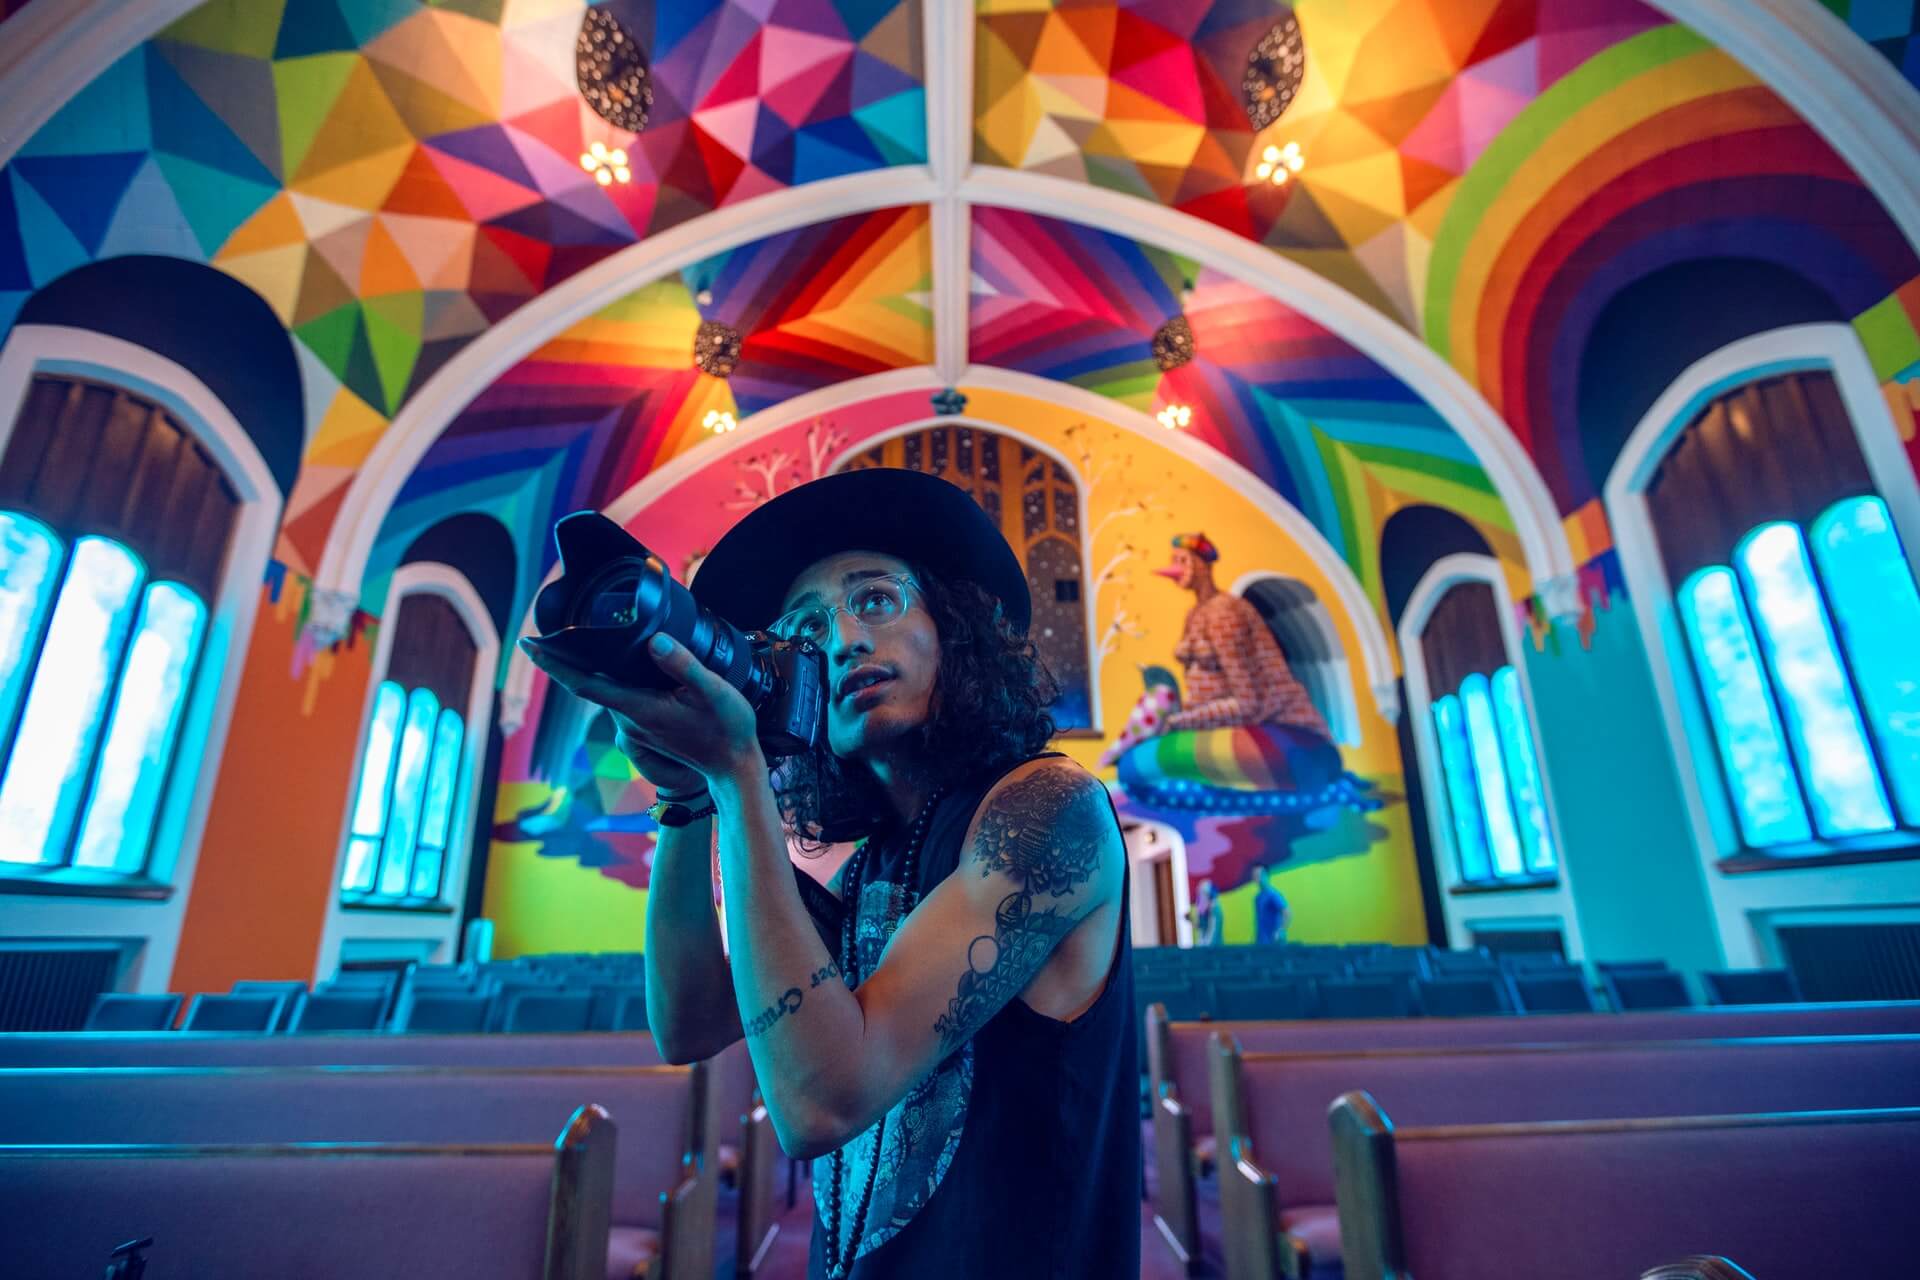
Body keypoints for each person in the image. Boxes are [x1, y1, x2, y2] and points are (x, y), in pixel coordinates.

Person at [523, 468, 1138, 1280]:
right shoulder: (878, 857)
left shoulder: (1048, 808)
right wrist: (687, 797)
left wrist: (738, 771)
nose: (842, 638)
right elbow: (690, 1024)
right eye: (805, 632)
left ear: (952, 628)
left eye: (875, 600)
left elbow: (821, 1102)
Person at [1156, 532, 1329, 736]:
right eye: (1173, 561)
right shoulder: (1194, 614)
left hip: (1275, 720)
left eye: (1183, 560)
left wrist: (1182, 721)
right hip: (1211, 717)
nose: (1175, 568)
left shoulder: (1224, 612)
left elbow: (1248, 704)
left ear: (1202, 565)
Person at [1253, 864, 1291, 945]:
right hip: (1261, 942)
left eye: (1258, 875)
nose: (1256, 878)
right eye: (1254, 876)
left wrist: (1280, 931)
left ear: (1266, 876)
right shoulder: (1257, 898)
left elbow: (1287, 912)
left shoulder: (1273, 894)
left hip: (1274, 943)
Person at [1190, 877, 1221, 946]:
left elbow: (1213, 930)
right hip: (1203, 945)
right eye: (1200, 893)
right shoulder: (1202, 910)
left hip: (1213, 947)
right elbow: (1200, 926)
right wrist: (1190, 920)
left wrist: (1206, 946)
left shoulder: (1215, 909)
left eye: (1203, 893)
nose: (1201, 897)